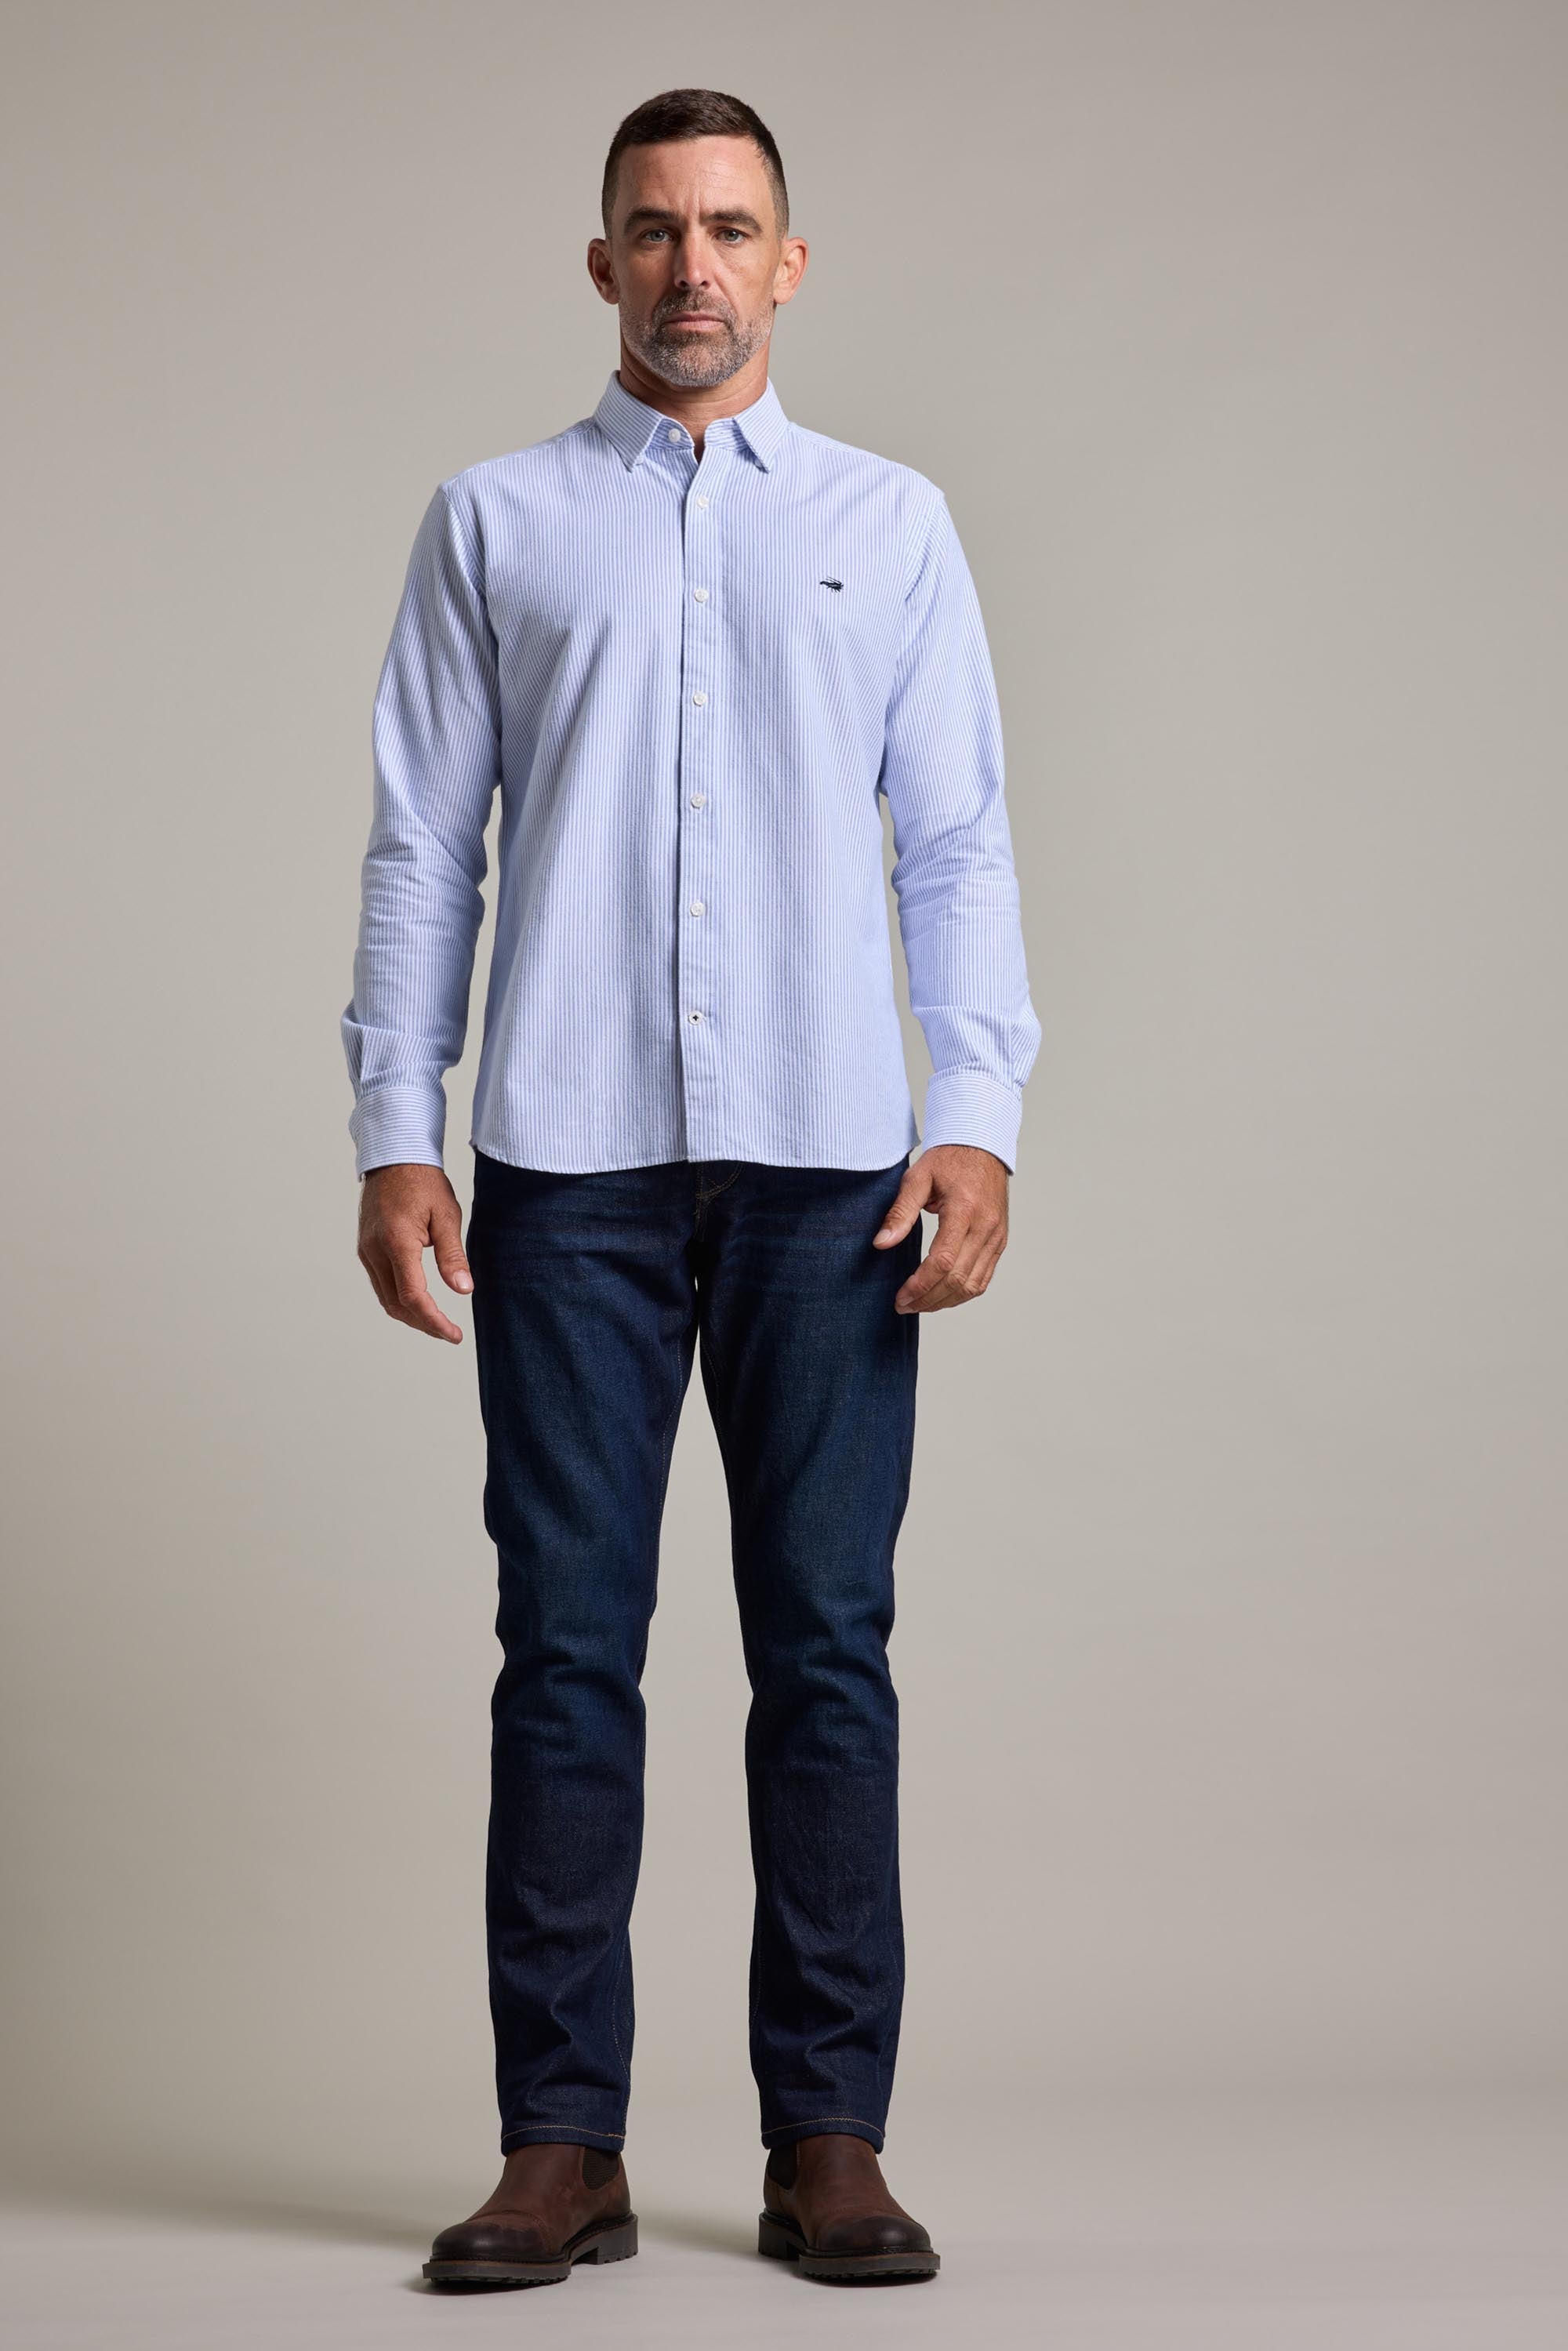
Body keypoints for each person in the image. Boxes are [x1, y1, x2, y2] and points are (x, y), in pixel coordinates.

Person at [341, 84, 1040, 2290]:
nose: (693, 266)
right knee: (566, 1654)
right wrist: (393, 1126)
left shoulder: (890, 523)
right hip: (567, 1170)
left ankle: (829, 2137)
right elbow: (424, 844)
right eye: (654, 229)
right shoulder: (496, 522)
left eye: (731, 227)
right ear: (601, 264)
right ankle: (563, 2145)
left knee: (826, 1650)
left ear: (790, 263)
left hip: (835, 1170)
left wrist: (979, 1111)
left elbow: (957, 839)